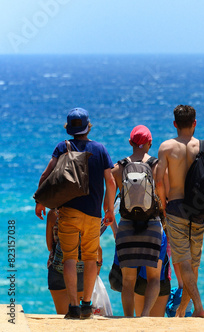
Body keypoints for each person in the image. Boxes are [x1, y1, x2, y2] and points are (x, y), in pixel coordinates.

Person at [35, 108, 116, 319]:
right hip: (93, 214)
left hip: (69, 212)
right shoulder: (100, 149)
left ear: (70, 128)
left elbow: (47, 173)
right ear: (88, 126)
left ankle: (73, 306)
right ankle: (87, 304)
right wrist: (109, 209)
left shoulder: (63, 147)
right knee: (90, 258)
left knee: (69, 257)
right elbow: (111, 181)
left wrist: (40, 201)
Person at [156, 104, 204, 318]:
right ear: (195, 123)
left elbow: (159, 181)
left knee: (183, 262)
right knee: (193, 263)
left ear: (175, 124)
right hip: (198, 210)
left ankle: (197, 307)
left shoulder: (166, 148)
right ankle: (182, 311)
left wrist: (163, 206)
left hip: (177, 208)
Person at [110, 125, 163, 317]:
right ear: (149, 143)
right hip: (152, 224)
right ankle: (145, 315)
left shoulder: (118, 168)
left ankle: (128, 319)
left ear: (131, 143)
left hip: (126, 225)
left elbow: (109, 205)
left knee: (128, 281)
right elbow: (163, 198)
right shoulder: (157, 166)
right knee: (154, 278)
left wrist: (114, 226)